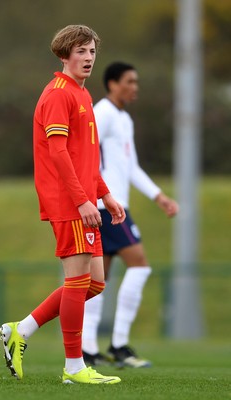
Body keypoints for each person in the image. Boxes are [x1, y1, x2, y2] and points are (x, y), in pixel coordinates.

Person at [0, 26, 126, 385]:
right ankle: (73, 368)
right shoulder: (58, 95)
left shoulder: (82, 96)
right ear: (63, 55)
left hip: (85, 200)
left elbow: (84, 158)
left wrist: (104, 194)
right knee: (76, 281)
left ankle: (20, 329)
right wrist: (82, 199)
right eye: (80, 51)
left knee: (94, 284)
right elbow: (57, 153)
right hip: (69, 203)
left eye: (91, 51)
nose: (88, 58)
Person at [82, 62, 179, 368]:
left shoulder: (123, 118)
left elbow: (132, 166)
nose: (135, 87)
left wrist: (158, 196)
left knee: (99, 279)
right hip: (105, 207)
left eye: (136, 81)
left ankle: (87, 349)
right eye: (129, 81)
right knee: (140, 266)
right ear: (112, 84)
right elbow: (85, 154)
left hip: (115, 206)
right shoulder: (102, 113)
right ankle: (120, 345)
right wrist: (95, 196)